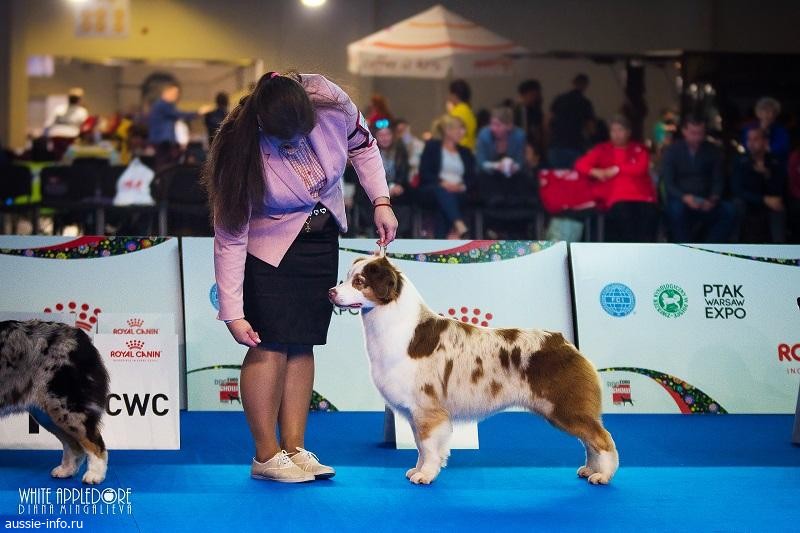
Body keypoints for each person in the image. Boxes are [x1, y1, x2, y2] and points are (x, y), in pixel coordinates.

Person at [203, 71, 397, 483]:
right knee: (270, 346)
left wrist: (380, 200)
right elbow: (230, 238)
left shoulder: (329, 99)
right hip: (269, 252)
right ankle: (265, 456)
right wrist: (233, 313)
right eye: (284, 138)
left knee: (303, 342)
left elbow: (363, 146)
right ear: (262, 125)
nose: (295, 141)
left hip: (320, 242)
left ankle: (294, 449)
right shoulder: (239, 148)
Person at [574, 115, 658, 242]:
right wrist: (596, 172)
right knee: (622, 219)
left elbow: (641, 167)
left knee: (649, 217)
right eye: (613, 130)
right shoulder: (602, 149)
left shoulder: (639, 149)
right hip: (616, 199)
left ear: (628, 132)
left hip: (643, 197)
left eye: (620, 130)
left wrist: (616, 169)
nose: (616, 134)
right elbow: (580, 165)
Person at [661, 115, 735, 242]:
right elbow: (668, 183)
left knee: (729, 210)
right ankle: (685, 247)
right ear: (684, 131)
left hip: (706, 199)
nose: (697, 137)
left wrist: (713, 198)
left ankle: (710, 246)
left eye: (700, 133)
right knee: (676, 210)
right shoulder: (672, 151)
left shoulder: (713, 151)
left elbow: (718, 179)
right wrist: (685, 197)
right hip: (681, 199)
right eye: (693, 133)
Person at [419, 115, 475, 238]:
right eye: (459, 129)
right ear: (448, 131)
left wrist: (461, 187)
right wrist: (442, 183)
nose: (463, 132)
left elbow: (472, 177)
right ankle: (458, 224)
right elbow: (425, 172)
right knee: (443, 193)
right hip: (435, 189)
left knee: (444, 205)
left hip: (459, 192)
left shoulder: (465, 152)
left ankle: (443, 240)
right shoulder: (432, 147)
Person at [731, 128, 786, 243]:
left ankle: (779, 246)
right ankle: (734, 244)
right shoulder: (740, 160)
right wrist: (763, 199)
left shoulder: (775, 161)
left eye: (756, 139)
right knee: (737, 204)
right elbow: (737, 190)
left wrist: (767, 175)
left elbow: (780, 188)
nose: (751, 143)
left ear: (765, 142)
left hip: (770, 202)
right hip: (749, 201)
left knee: (778, 205)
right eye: (749, 139)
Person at [475, 106, 532, 209]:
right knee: (483, 176)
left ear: (509, 126)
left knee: (523, 177)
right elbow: (480, 162)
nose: (493, 128)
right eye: (492, 124)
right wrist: (496, 166)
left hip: (512, 174)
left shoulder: (519, 136)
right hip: (489, 173)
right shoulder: (483, 135)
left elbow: (520, 160)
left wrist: (515, 167)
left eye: (498, 125)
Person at [148, 82, 209, 170]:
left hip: (163, 141)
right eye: (174, 93)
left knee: (165, 164)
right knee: (164, 165)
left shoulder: (162, 105)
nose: (176, 96)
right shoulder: (163, 105)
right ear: (166, 92)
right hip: (163, 141)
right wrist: (198, 113)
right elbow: (179, 114)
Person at [548, 74, 595, 168]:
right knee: (573, 175)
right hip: (574, 145)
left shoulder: (560, 99)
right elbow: (591, 128)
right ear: (585, 86)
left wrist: (547, 139)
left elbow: (547, 120)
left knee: (557, 174)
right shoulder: (584, 103)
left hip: (557, 144)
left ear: (572, 83)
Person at [741, 97, 790, 163]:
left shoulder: (781, 130)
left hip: (775, 161)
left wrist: (763, 149)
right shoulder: (749, 128)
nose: (770, 114)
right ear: (759, 113)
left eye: (773, 112)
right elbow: (746, 146)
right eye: (766, 111)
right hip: (751, 161)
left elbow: (783, 148)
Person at [513, 79, 545, 162]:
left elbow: (537, 130)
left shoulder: (535, 110)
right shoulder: (515, 111)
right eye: (532, 95)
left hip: (532, 147)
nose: (534, 98)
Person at [446, 79, 477, 151]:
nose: (448, 97)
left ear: (454, 95)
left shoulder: (456, 113)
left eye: (449, 94)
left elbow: (451, 137)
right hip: (470, 151)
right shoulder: (470, 111)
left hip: (459, 151)